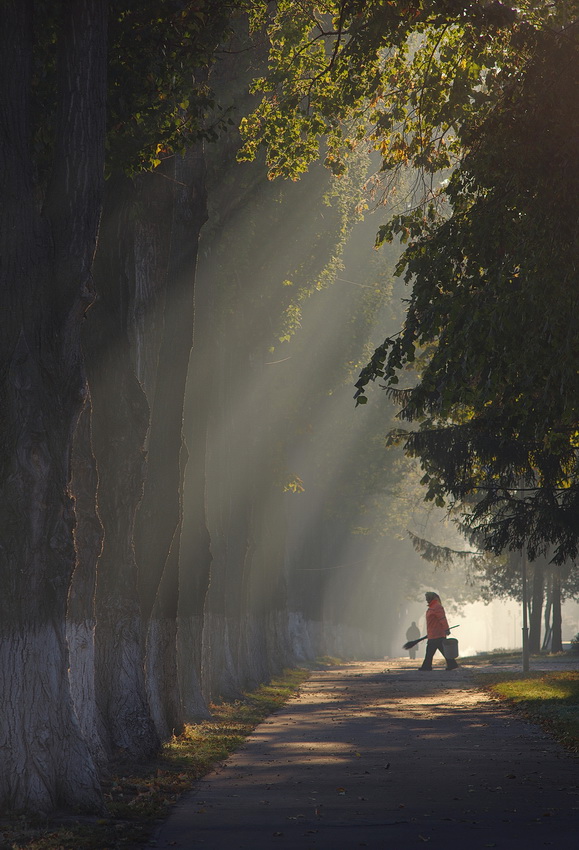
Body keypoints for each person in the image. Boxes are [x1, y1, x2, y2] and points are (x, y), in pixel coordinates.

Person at [420, 591, 458, 671]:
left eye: (427, 598)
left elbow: (442, 619)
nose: (426, 600)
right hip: (433, 634)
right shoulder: (432, 607)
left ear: (431, 598)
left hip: (437, 634)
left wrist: (446, 628)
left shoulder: (436, 607)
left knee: (430, 651)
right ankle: (452, 664)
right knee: (437, 650)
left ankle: (426, 666)